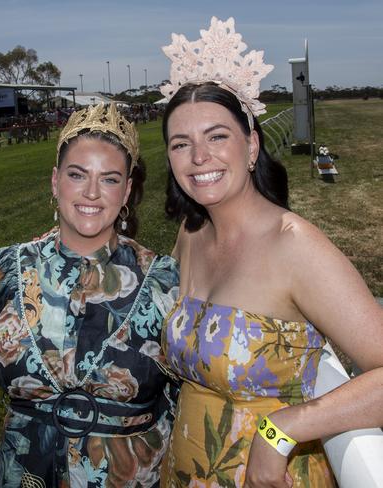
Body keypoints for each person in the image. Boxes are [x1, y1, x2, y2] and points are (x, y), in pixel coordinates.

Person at [157, 17, 383, 487]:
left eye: (217, 136)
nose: (199, 157)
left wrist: (281, 430)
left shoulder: (294, 245)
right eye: (182, 144)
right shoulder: (191, 234)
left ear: (252, 143)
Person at [0, 103, 181, 487]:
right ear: (54, 181)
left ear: (127, 189)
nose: (92, 193)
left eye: (110, 179)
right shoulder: (5, 272)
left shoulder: (162, 280)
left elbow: (190, 397)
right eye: (77, 175)